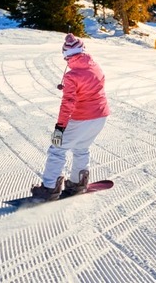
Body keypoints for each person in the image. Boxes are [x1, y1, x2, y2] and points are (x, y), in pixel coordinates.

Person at [32, 34, 109, 201]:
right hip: (100, 116)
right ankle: (77, 183)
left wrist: (60, 128)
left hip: (82, 117)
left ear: (66, 54)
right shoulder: (95, 66)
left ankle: (50, 188)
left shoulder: (72, 76)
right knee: (81, 148)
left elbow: (68, 104)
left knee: (57, 149)